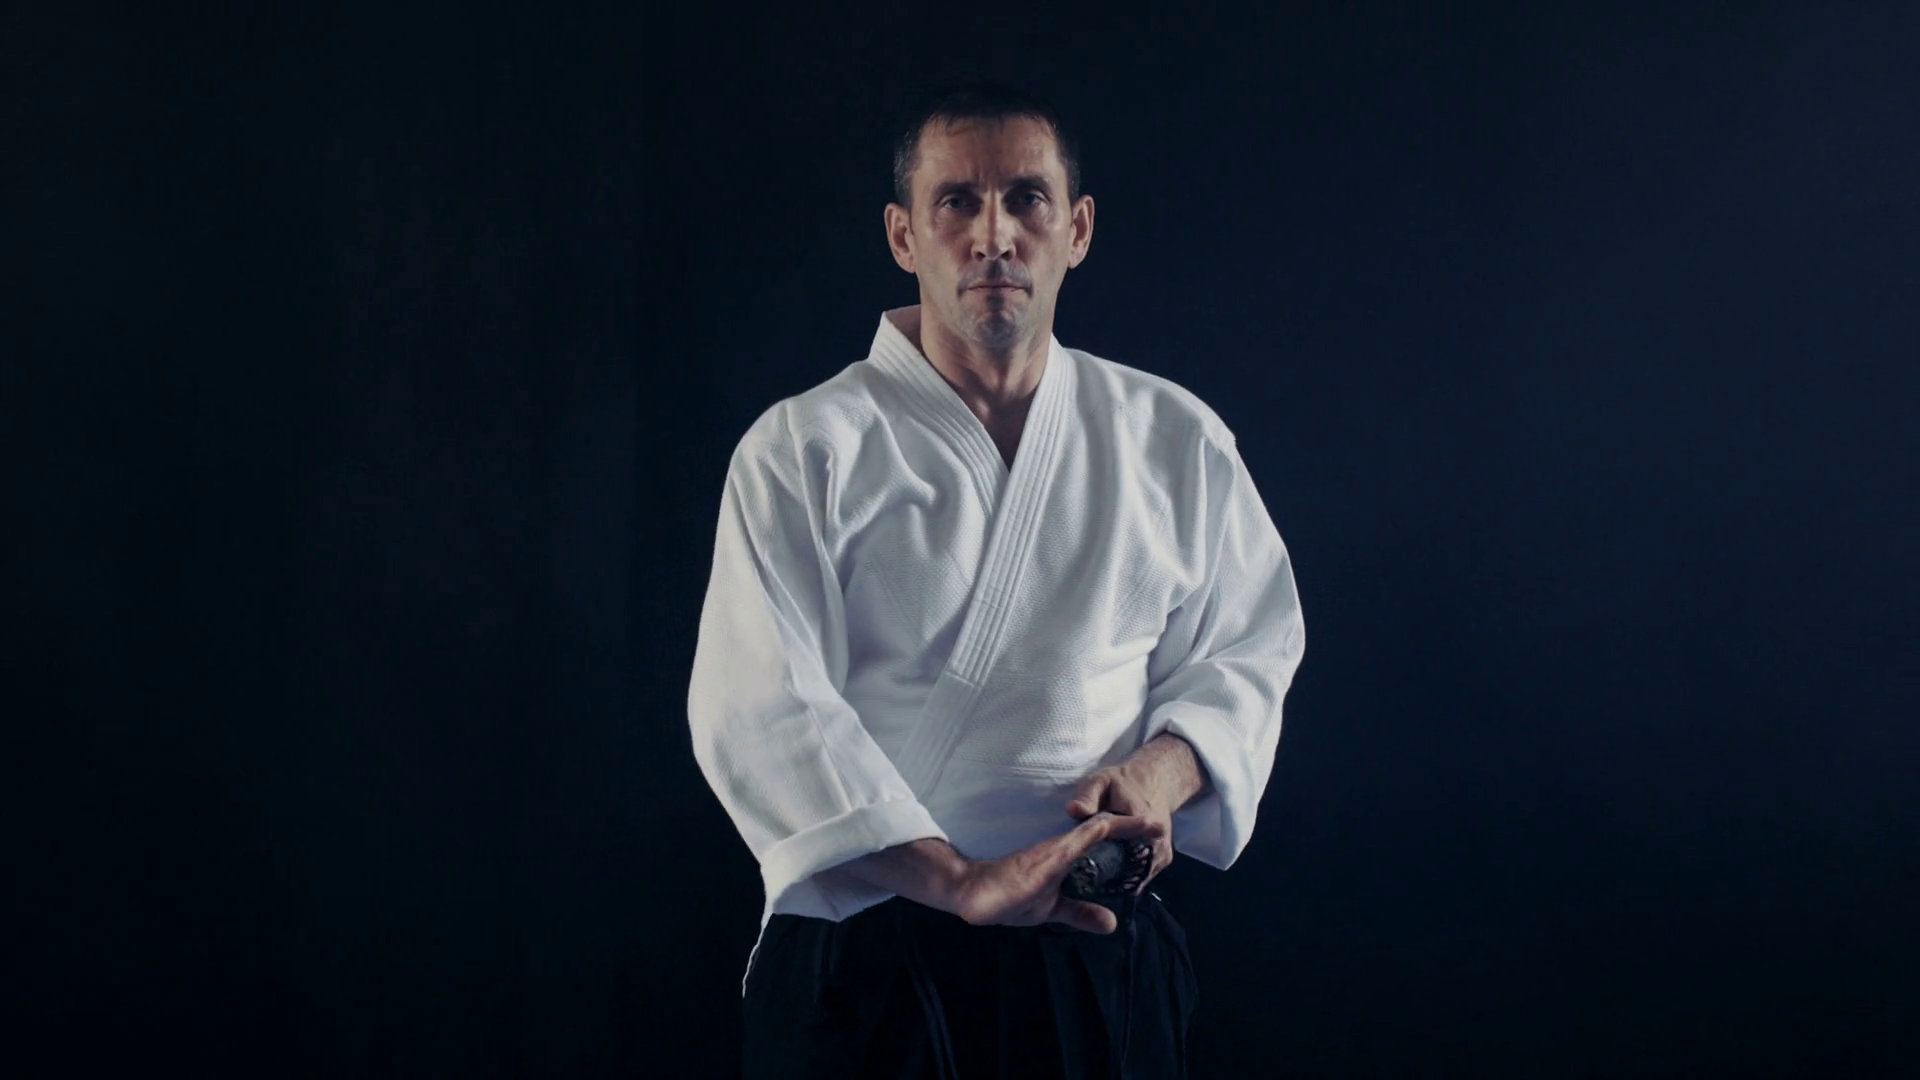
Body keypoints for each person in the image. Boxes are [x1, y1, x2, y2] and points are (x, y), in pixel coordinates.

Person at [688, 82, 1306, 1079]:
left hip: (1094, 945)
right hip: (871, 957)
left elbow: (1250, 644)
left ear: (1078, 229)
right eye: (956, 202)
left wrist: (1164, 770)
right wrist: (960, 881)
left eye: (1026, 199)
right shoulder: (805, 448)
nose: (993, 236)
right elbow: (763, 709)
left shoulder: (1171, 437)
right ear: (903, 235)